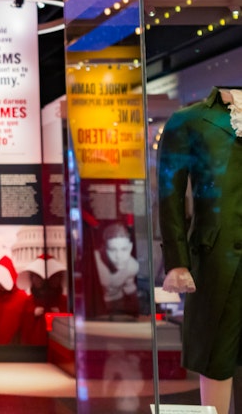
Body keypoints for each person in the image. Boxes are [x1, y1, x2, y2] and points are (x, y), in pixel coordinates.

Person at [158, 87, 242, 414]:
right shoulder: (188, 121)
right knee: (217, 355)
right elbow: (170, 195)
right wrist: (177, 262)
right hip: (217, 256)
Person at [92, 222, 139, 317]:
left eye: (124, 249)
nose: (119, 256)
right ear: (104, 248)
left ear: (130, 247)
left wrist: (137, 315)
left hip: (119, 305)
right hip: (96, 307)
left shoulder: (132, 266)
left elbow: (130, 288)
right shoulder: (93, 262)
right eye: (112, 250)